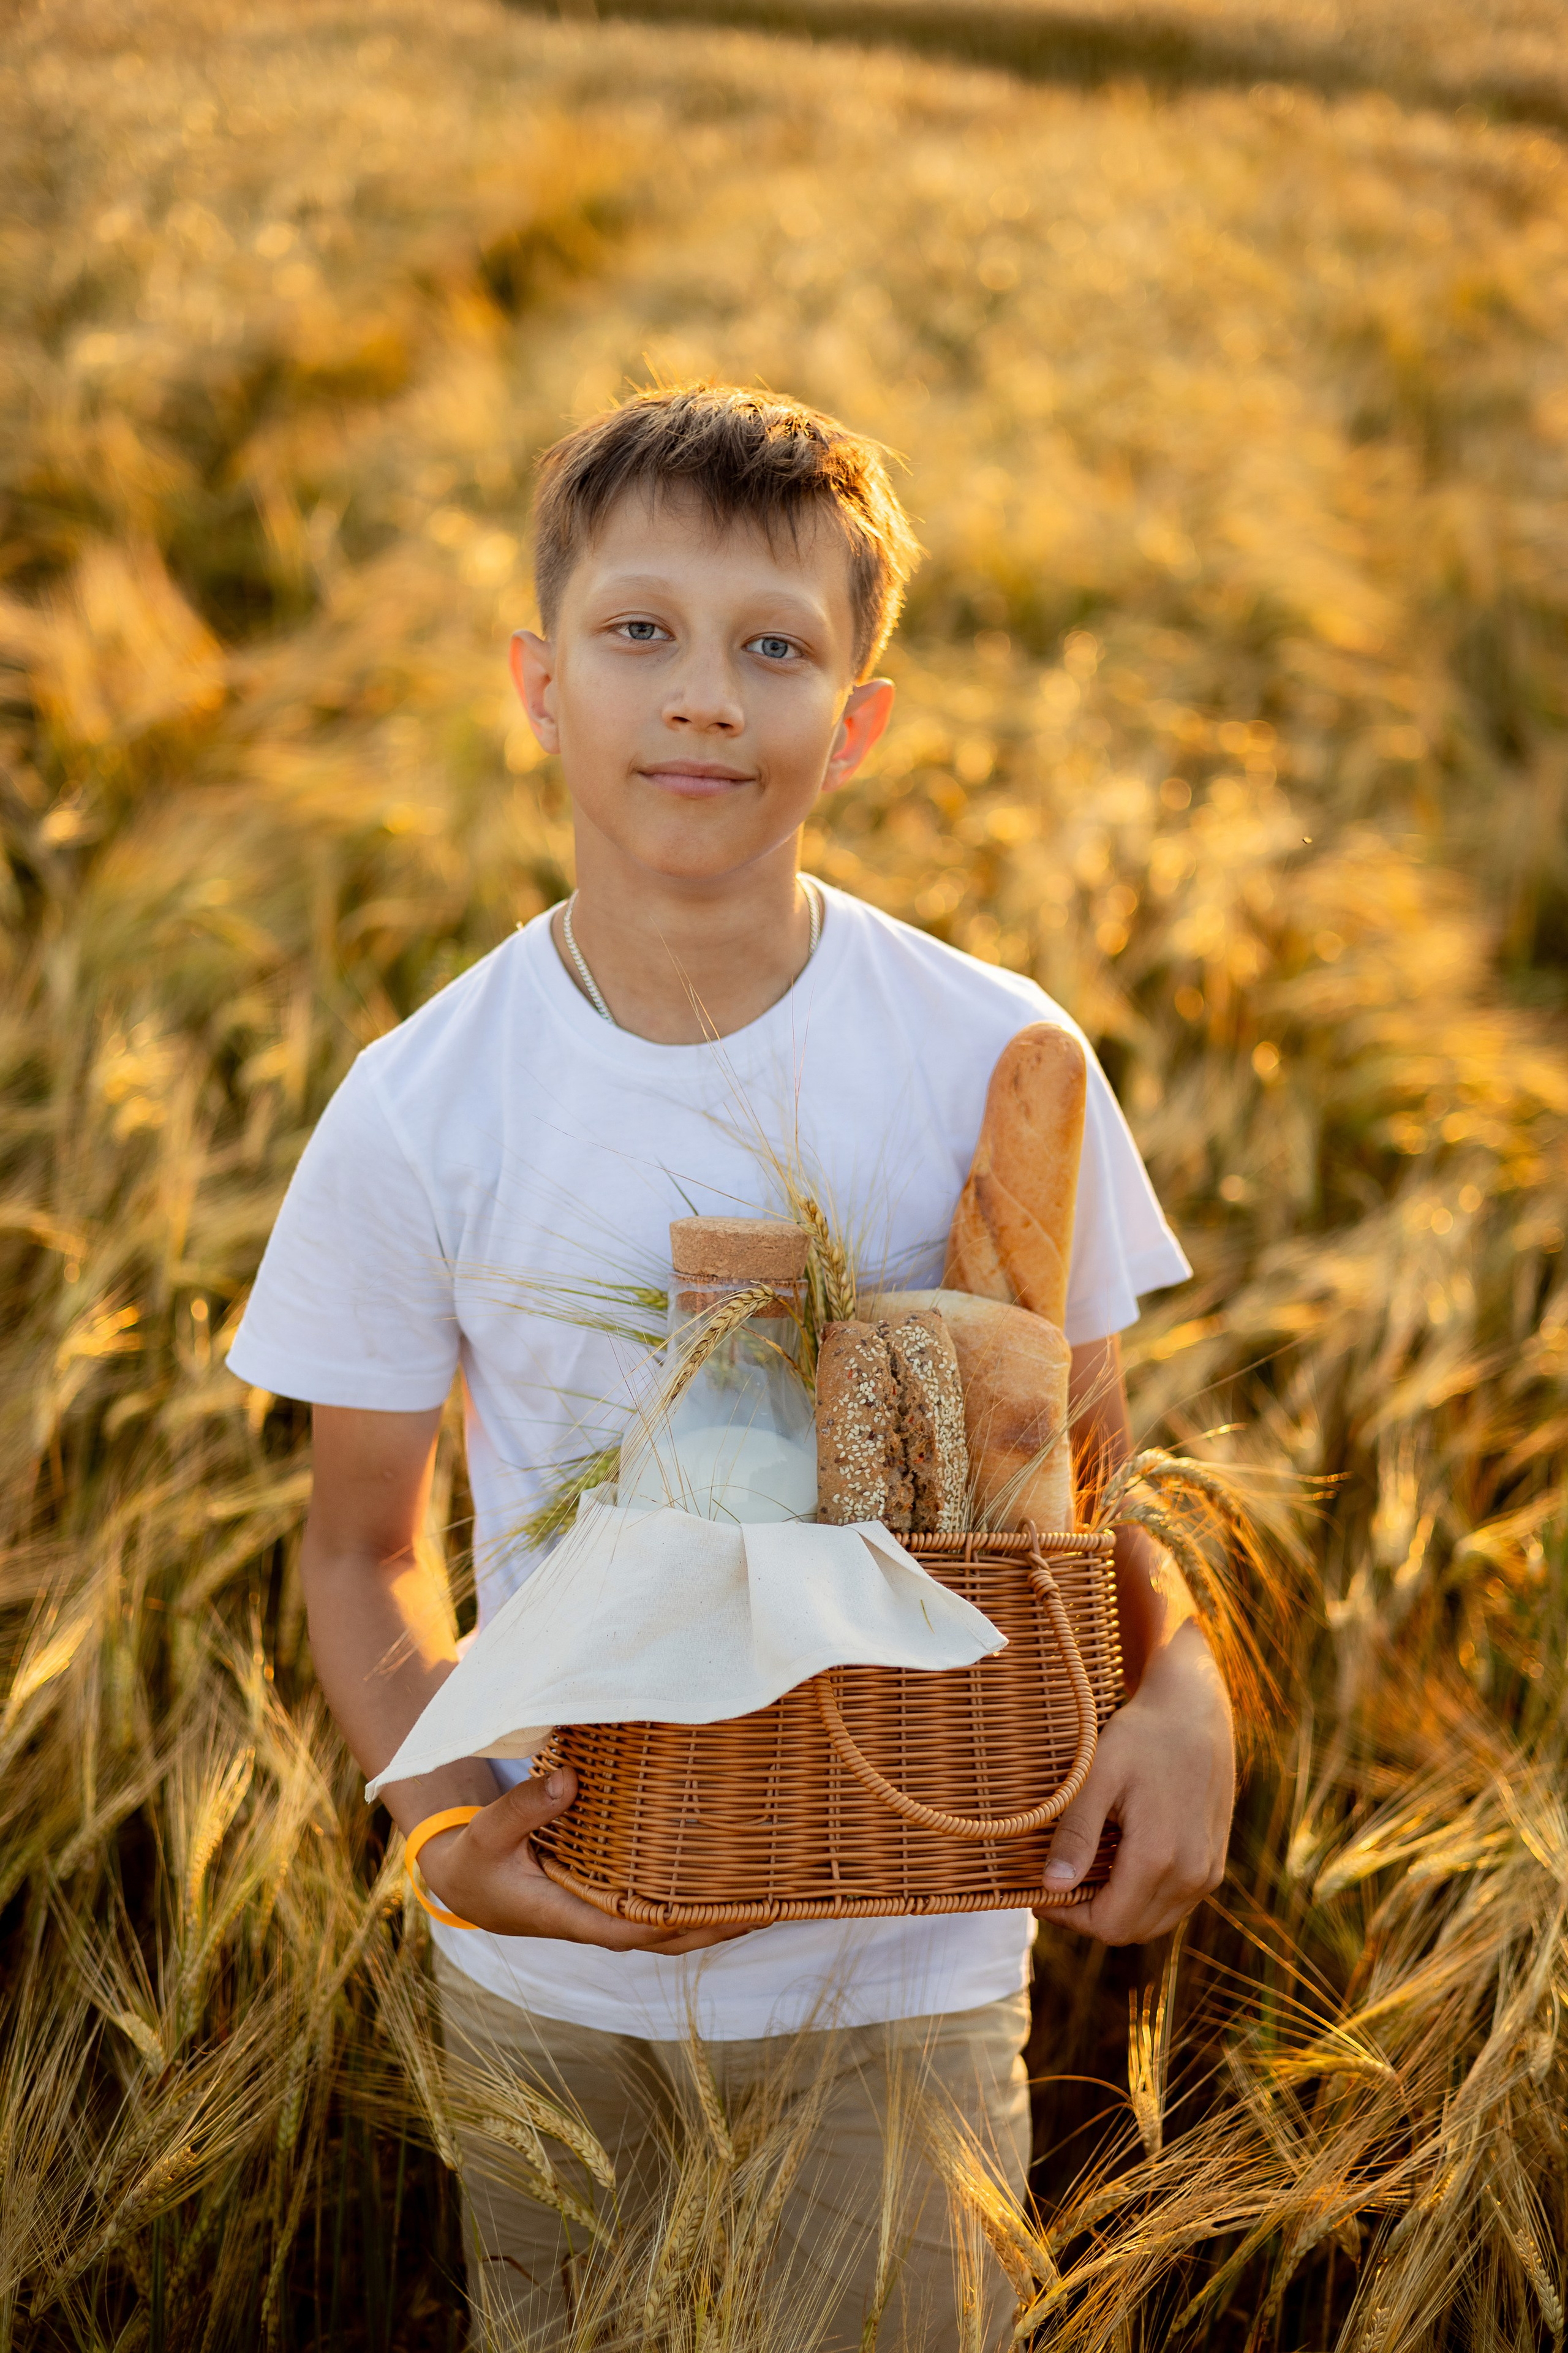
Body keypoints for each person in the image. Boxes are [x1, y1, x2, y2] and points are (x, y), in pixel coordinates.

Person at [227, 383, 1234, 2348]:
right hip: (559, 1987)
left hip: (910, 1972)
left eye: (775, 648)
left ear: (857, 719)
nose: (704, 697)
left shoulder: (991, 1051)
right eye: (641, 632)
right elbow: (362, 1544)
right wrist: (442, 1823)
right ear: (539, 683)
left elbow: (1094, 1482)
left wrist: (1183, 1682)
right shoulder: (422, 1102)